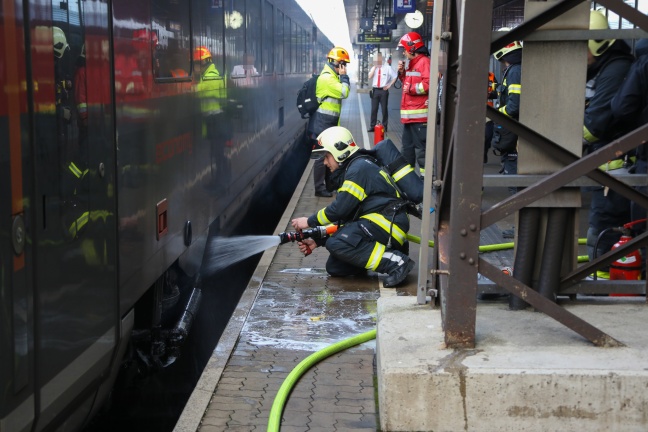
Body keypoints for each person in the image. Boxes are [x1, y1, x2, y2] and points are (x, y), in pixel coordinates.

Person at [291, 126, 415, 288]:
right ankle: (391, 250)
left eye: (327, 156)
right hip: (380, 223)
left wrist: (309, 221)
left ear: (339, 152)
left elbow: (339, 210)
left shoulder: (358, 170)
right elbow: (347, 218)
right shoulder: (355, 167)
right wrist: (317, 241)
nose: (325, 162)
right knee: (335, 267)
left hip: (387, 223)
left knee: (336, 244)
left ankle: (398, 263)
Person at [582, 10, 635, 276]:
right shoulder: (602, 67)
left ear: (596, 43)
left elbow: (595, 124)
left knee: (605, 229)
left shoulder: (616, 70)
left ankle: (604, 280)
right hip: (607, 164)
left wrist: (555, 145)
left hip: (617, 167)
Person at [491, 28, 522, 238]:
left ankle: (520, 227)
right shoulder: (514, 70)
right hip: (512, 135)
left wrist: (496, 113)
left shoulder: (514, 71)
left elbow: (513, 107)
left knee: (515, 182)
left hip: (512, 135)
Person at [307, 47, 351, 197]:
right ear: (336, 63)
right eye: (343, 64)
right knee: (320, 157)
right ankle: (319, 189)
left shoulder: (331, 76)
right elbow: (344, 92)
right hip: (321, 123)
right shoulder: (327, 78)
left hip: (327, 123)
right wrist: (345, 77)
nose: (344, 68)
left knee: (329, 154)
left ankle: (328, 185)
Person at [194, 46, 230, 188]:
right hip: (218, 119)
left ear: (203, 63)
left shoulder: (210, 77)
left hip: (215, 121)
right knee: (217, 153)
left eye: (196, 63)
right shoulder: (215, 73)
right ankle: (219, 181)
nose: (196, 67)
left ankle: (220, 183)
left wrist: (194, 81)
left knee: (217, 153)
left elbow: (197, 92)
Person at [396, 32, 430, 176]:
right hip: (410, 118)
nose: (403, 52)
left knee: (421, 151)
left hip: (420, 118)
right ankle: (408, 179)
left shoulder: (424, 62)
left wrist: (410, 88)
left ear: (412, 47)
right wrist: (402, 73)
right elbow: (407, 83)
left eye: (404, 48)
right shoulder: (413, 63)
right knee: (407, 150)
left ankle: (425, 182)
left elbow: (429, 84)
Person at [367, 53, 397, 132]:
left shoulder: (388, 68)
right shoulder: (374, 68)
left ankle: (384, 126)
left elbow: (394, 76)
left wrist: (389, 85)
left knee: (384, 109)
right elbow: (370, 76)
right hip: (375, 91)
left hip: (384, 91)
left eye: (379, 60)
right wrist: (374, 67)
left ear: (382, 60)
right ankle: (372, 126)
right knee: (374, 109)